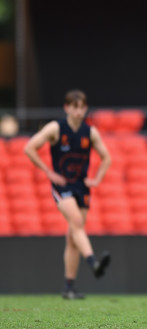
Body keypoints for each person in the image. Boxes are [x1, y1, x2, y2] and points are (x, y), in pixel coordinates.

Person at [24, 89, 112, 299]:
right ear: (67, 108)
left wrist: (97, 179)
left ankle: (68, 287)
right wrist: (49, 172)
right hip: (62, 186)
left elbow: (106, 157)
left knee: (73, 238)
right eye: (75, 106)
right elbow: (30, 148)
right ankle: (94, 262)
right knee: (76, 222)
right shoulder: (56, 128)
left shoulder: (90, 132)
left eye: (82, 107)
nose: (79, 111)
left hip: (82, 187)